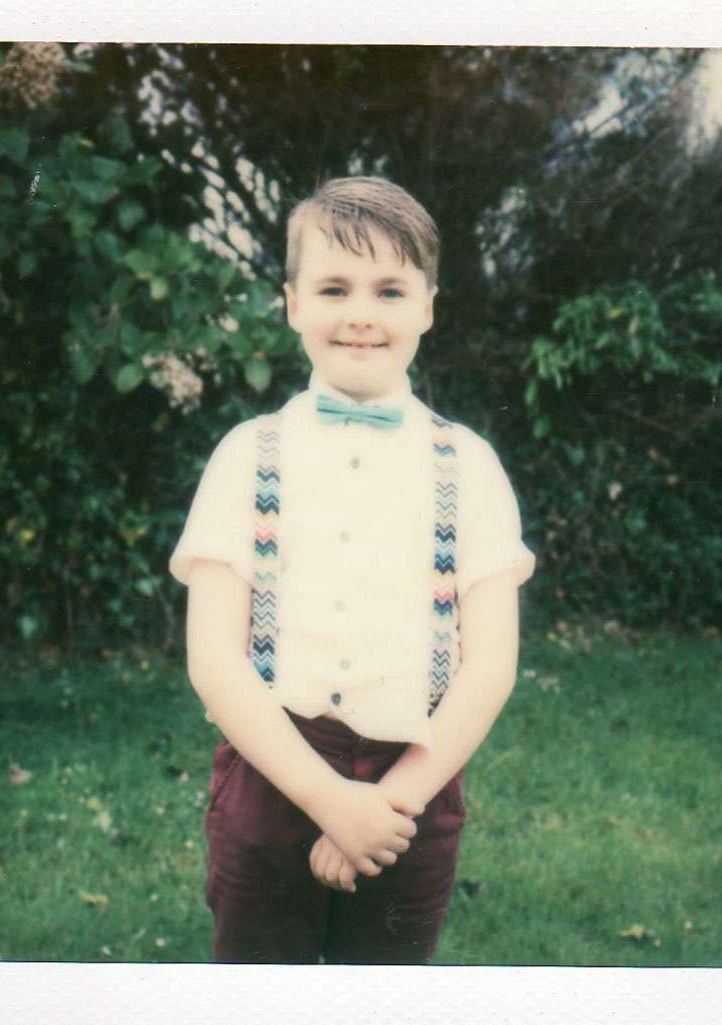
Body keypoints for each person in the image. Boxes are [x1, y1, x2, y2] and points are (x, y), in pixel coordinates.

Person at [170, 176, 534, 964]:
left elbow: (491, 666)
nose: (361, 313)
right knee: (260, 1003)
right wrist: (328, 798)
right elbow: (213, 658)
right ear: (293, 303)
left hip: (416, 783)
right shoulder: (246, 456)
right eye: (334, 288)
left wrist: (388, 804)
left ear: (427, 307)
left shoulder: (469, 466)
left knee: (384, 1007)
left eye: (389, 290)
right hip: (272, 769)